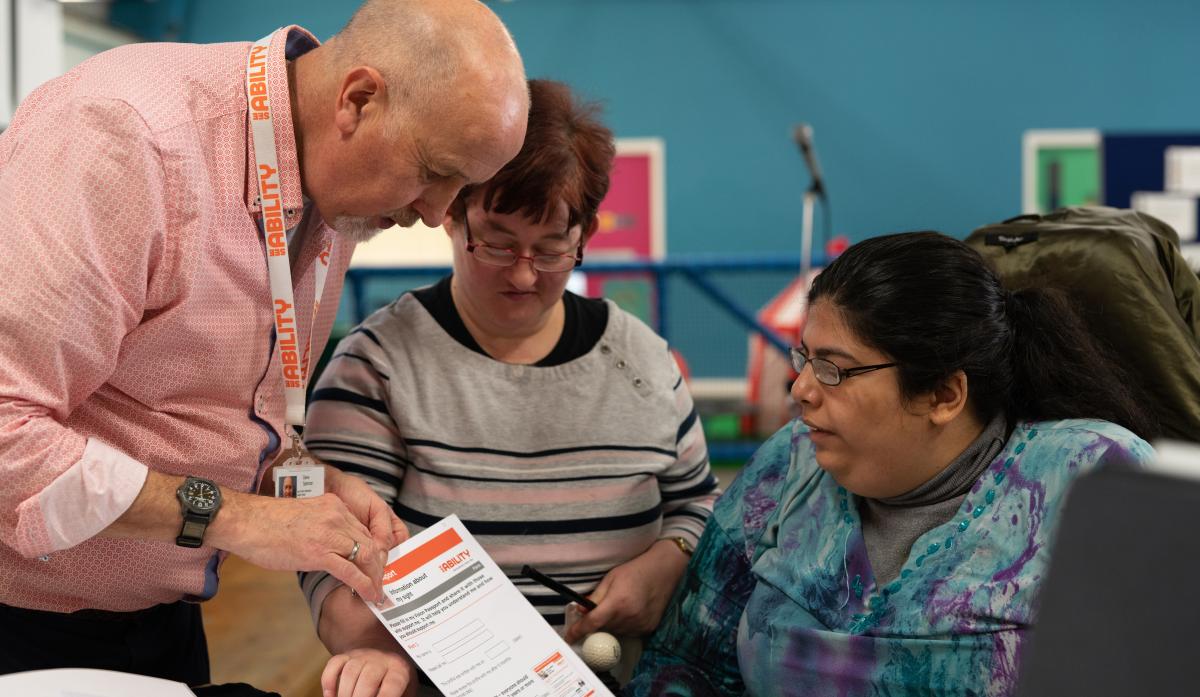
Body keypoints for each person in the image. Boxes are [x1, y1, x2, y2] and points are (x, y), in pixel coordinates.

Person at [0, 0, 528, 686]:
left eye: (462, 188)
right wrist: (239, 518)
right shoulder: (124, 137)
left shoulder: (335, 189)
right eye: (433, 170)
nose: (433, 212)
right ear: (357, 100)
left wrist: (304, 483)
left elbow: (197, 419)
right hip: (20, 622)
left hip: (160, 616)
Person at [301, 79, 720, 697]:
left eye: (551, 249)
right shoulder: (376, 366)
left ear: (585, 235)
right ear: (450, 212)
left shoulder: (643, 360)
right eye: (497, 243)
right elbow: (331, 551)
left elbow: (698, 504)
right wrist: (372, 646)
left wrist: (668, 561)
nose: (524, 275)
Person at [629, 232, 1157, 697]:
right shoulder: (788, 465)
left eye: (834, 369)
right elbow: (687, 663)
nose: (802, 389)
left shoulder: (1091, 478)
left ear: (944, 395)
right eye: (805, 358)